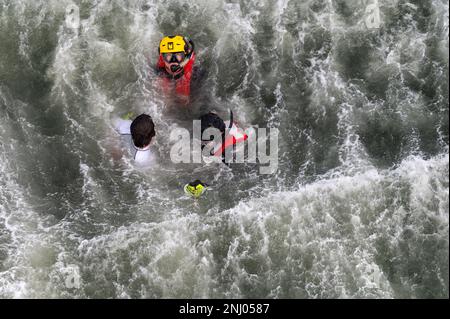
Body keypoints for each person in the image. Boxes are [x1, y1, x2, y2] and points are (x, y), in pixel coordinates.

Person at [156, 35, 196, 99]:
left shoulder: (195, 76)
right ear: (162, 57)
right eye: (168, 55)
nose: (173, 60)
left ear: (186, 56)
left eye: (178, 54)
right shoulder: (156, 73)